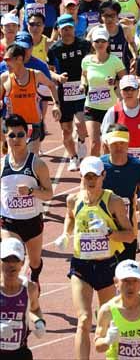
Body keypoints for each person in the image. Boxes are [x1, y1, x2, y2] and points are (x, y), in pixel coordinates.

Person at [54, 156, 135, 360]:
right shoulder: (73, 200)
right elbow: (70, 216)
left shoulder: (113, 202)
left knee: (107, 321)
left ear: (103, 176)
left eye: (95, 176)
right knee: (83, 319)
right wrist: (65, 234)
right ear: (81, 177)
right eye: (87, 176)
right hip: (81, 265)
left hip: (107, 265)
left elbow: (130, 235)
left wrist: (109, 232)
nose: (91, 181)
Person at [0, 114, 53, 291]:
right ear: (5, 137)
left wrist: (31, 191)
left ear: (27, 134)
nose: (16, 139)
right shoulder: (2, 165)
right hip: (9, 222)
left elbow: (49, 194)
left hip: (32, 221)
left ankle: (34, 276)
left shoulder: (37, 164)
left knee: (35, 261)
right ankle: (10, 294)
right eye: (12, 135)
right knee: (10, 259)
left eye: (20, 135)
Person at [101, 124, 140, 258]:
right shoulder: (99, 166)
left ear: (128, 143)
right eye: (114, 143)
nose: (118, 147)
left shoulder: (138, 166)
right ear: (107, 143)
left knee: (126, 268)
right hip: (103, 228)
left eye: (122, 143)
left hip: (127, 229)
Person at [47, 13, 91, 170]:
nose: (67, 31)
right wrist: (58, 77)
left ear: (74, 28)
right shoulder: (54, 49)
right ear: (59, 30)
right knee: (66, 130)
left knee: (80, 123)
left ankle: (81, 142)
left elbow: (92, 63)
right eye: (64, 29)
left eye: (69, 28)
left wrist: (85, 78)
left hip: (81, 88)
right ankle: (73, 157)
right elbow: (49, 71)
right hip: (63, 92)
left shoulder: (84, 45)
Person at [1, 43, 61, 154]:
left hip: (32, 124)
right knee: (14, 159)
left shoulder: (36, 75)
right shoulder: (4, 78)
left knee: (32, 159)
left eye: (7, 59)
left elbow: (52, 86)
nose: (5, 63)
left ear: (19, 59)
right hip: (13, 126)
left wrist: (56, 105)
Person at [81, 26, 126, 156]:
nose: (100, 44)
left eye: (103, 41)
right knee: (94, 144)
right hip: (92, 107)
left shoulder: (115, 61)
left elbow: (125, 80)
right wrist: (83, 85)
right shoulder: (86, 61)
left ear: (107, 43)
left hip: (110, 108)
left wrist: (115, 82)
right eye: (97, 41)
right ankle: (93, 168)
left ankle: (107, 168)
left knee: (107, 144)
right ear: (92, 43)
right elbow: (84, 75)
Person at [0, 237, 46, 360]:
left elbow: (35, 309)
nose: (11, 264)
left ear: (22, 262)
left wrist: (39, 322)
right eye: (6, 259)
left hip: (20, 352)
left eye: (15, 260)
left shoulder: (30, 289)